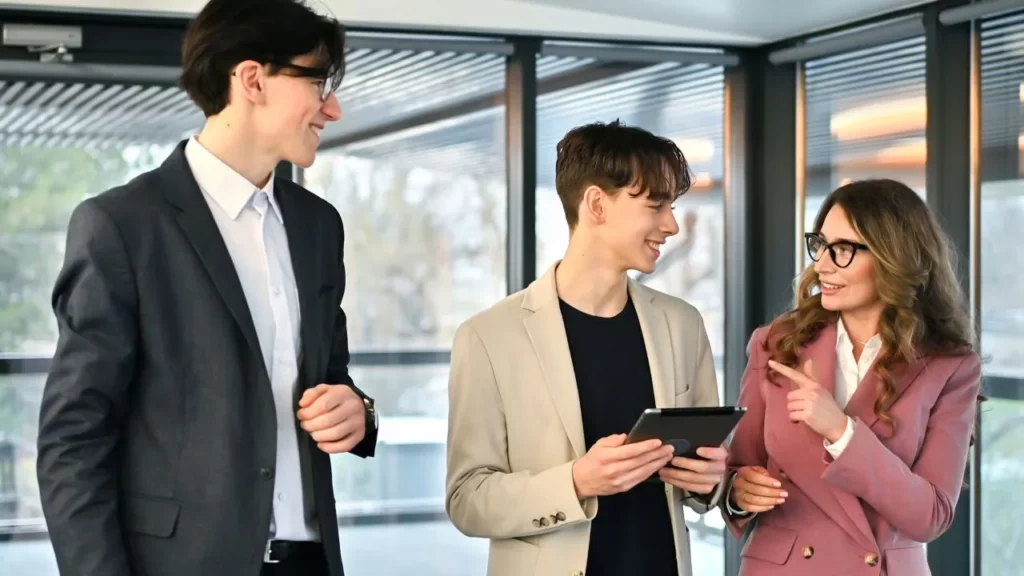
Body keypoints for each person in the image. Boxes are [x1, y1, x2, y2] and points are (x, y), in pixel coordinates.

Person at [35, 1, 378, 575]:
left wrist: (358, 412)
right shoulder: (122, 225)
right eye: (318, 83)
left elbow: (330, 376)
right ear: (251, 80)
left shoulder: (320, 226)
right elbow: (74, 440)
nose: (333, 109)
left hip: (310, 561)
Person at [445, 120, 729, 576]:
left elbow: (708, 475)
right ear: (596, 204)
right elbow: (467, 500)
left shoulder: (682, 325)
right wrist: (577, 482)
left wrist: (708, 480)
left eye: (672, 206)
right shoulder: (488, 337)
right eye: (656, 205)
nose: (672, 225)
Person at [723, 179, 982, 575]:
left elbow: (931, 514)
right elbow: (738, 468)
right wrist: (739, 492)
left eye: (843, 250)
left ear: (892, 257)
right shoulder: (777, 343)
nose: (821, 264)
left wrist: (841, 431)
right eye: (821, 245)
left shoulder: (950, 365)